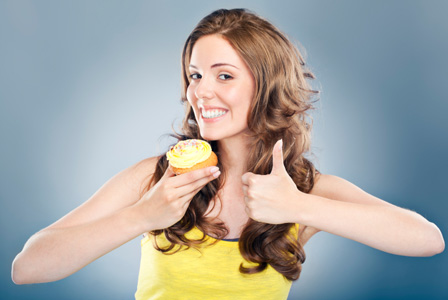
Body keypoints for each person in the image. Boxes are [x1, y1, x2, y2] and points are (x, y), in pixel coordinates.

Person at [12, 8, 444, 299]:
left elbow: (427, 240)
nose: (200, 91)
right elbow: (27, 267)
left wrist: (298, 205)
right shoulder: (155, 180)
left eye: (224, 75)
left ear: (267, 85)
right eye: (195, 74)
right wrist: (141, 217)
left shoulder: (306, 192)